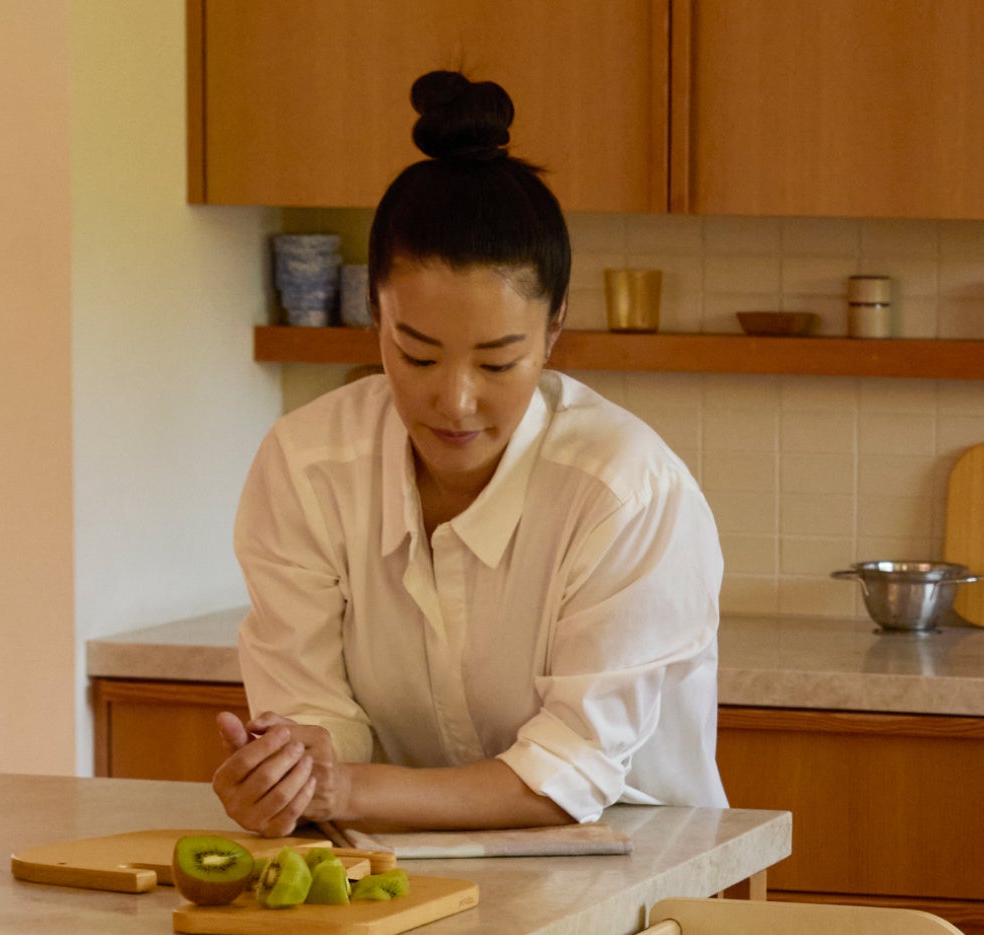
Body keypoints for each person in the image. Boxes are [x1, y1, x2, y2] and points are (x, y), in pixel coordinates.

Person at [215, 69, 725, 842]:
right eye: (416, 356)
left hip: (642, 885)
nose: (454, 402)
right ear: (374, 318)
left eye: (497, 363)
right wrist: (290, 771)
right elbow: (315, 715)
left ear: (554, 332)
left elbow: (570, 771)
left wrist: (342, 789)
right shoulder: (308, 466)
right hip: (402, 883)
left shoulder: (624, 490)